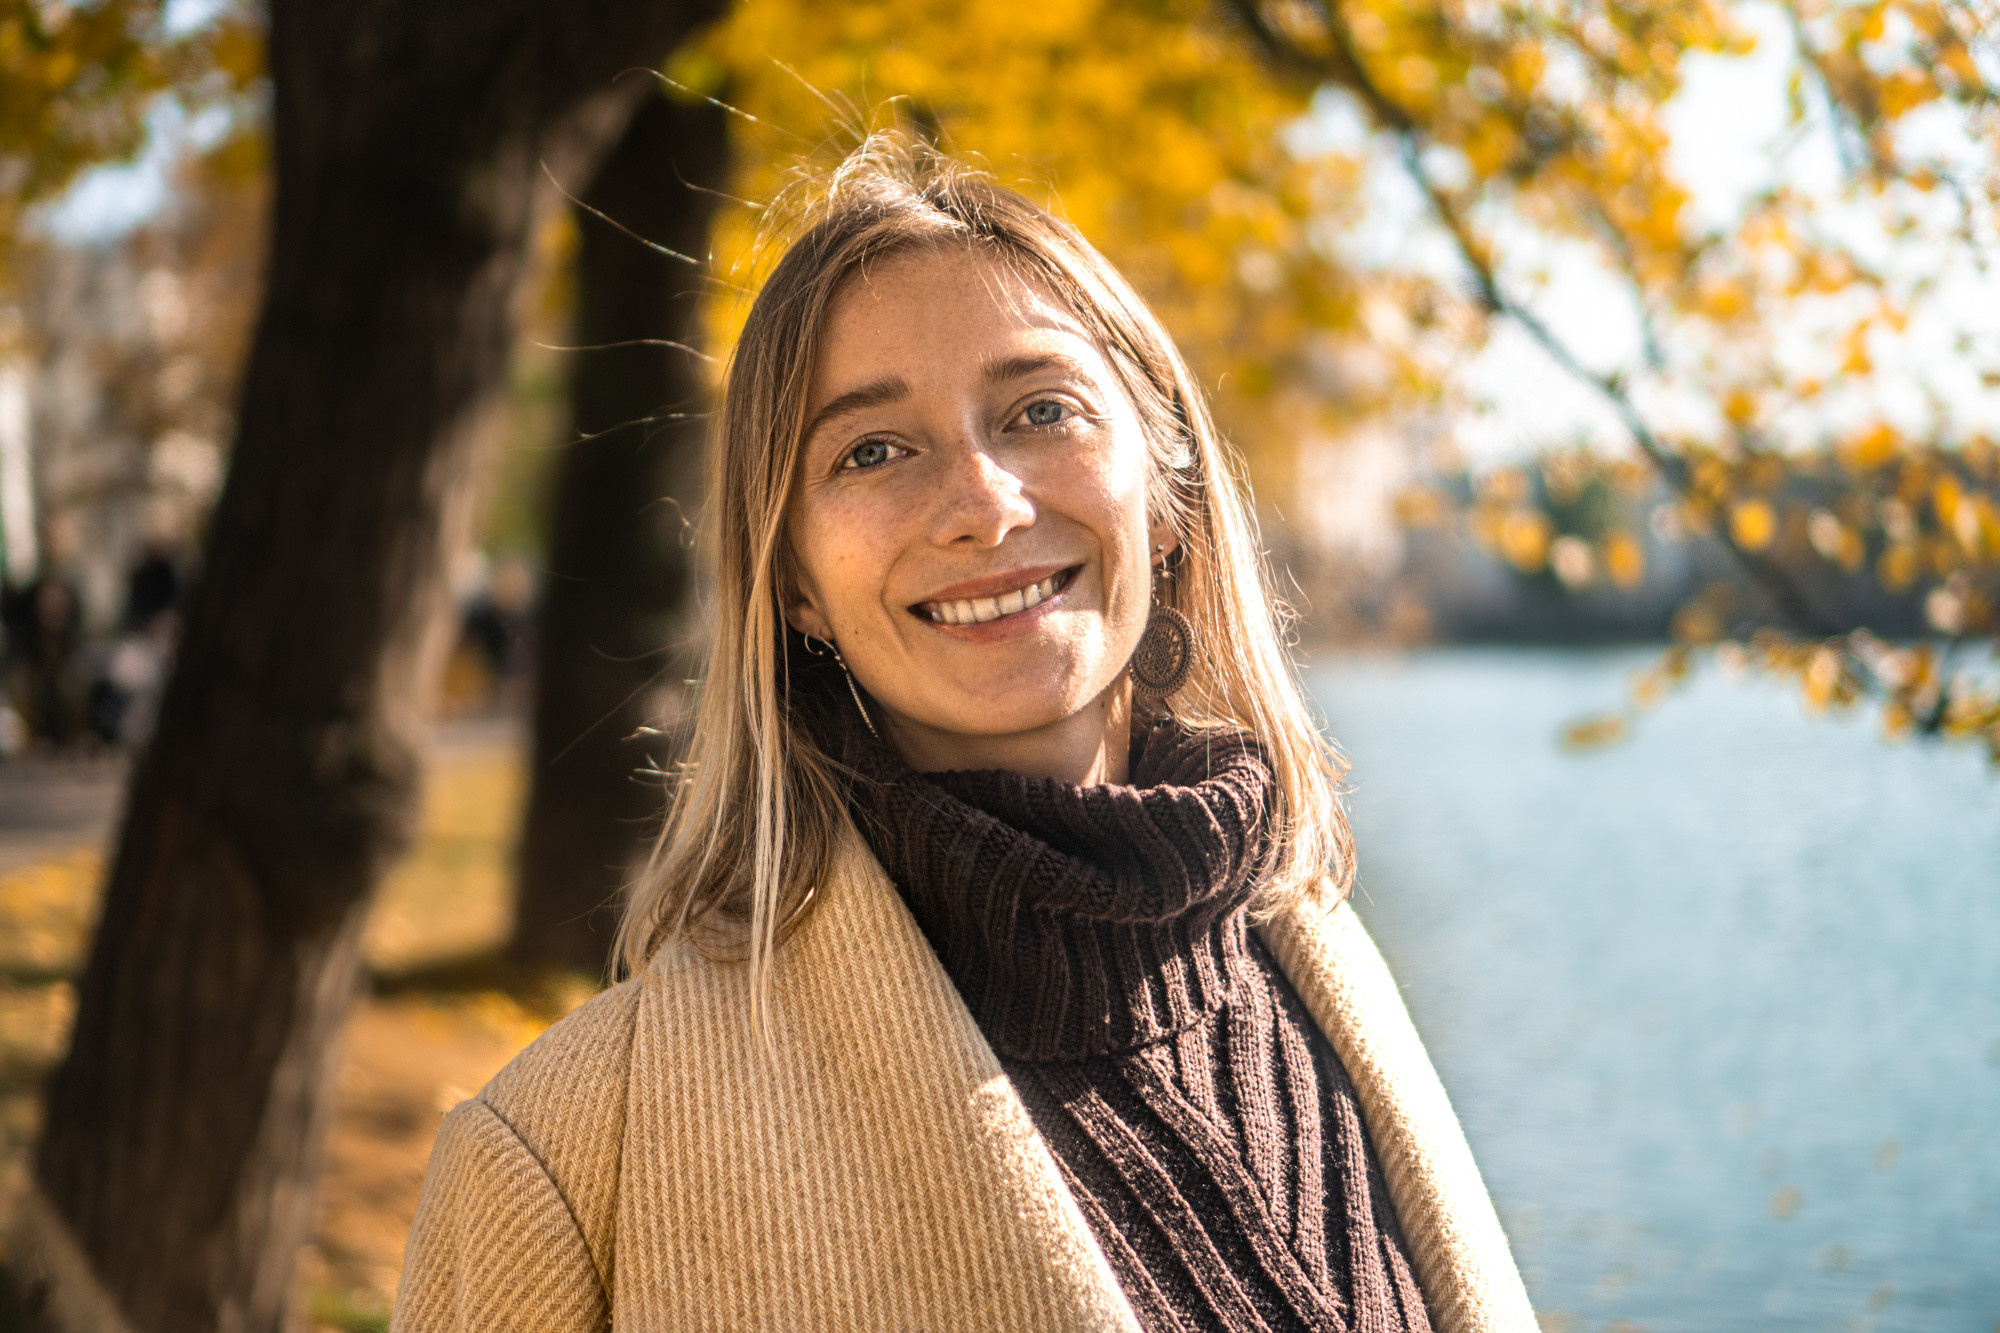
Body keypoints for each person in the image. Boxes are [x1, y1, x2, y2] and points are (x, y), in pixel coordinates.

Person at [393, 139, 1535, 1333]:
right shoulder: (565, 1165)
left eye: (1041, 410)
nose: (985, 502)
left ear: (1165, 498)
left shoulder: (1317, 962)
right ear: (790, 582)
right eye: (871, 450)